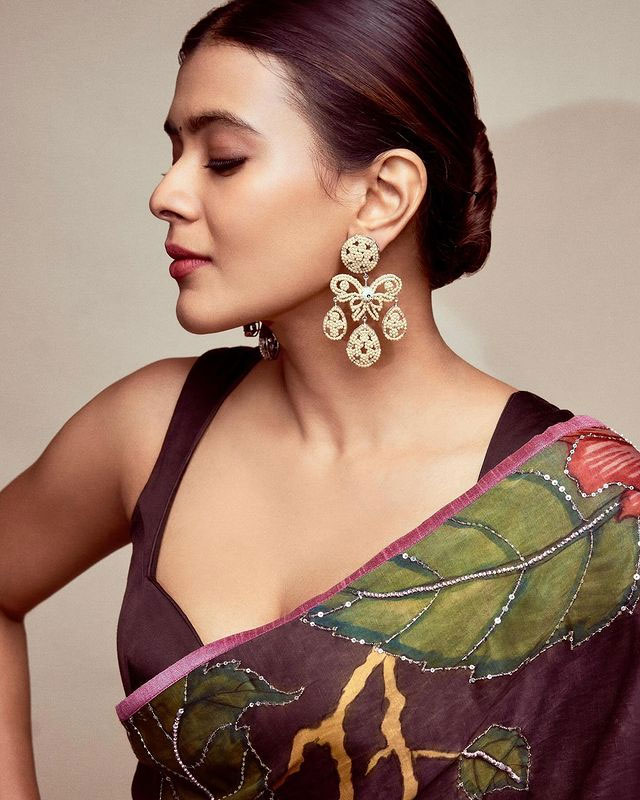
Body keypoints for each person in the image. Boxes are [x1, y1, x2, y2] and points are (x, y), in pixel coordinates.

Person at [1, 1, 638, 798]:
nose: (166, 193)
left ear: (381, 196)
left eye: (223, 158)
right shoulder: (150, 427)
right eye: (174, 152)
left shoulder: (591, 507)